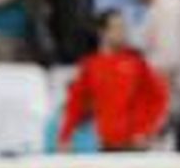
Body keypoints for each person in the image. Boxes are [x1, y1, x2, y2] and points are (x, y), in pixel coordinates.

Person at [57, 10, 169, 151]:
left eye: (123, 27)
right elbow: (75, 103)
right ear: (103, 32)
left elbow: (160, 96)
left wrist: (147, 129)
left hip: (134, 143)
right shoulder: (91, 66)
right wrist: (65, 135)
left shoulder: (136, 62)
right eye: (116, 28)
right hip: (106, 144)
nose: (122, 32)